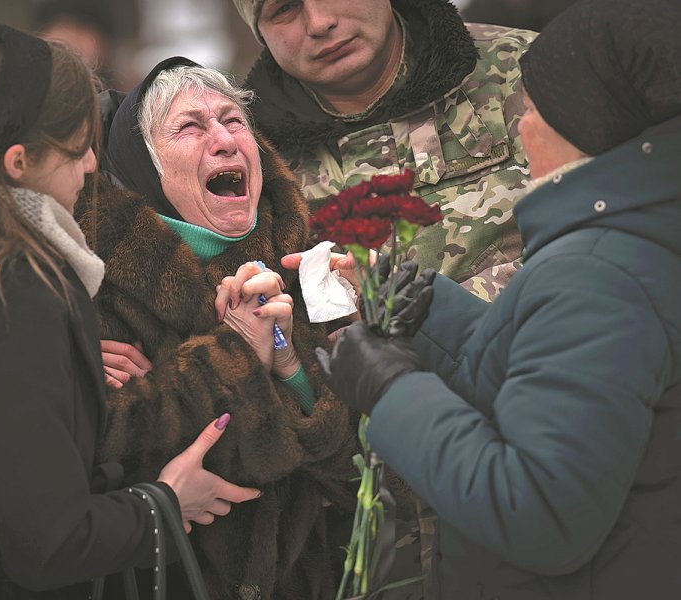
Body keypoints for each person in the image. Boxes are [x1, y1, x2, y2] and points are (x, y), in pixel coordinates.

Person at [0, 21, 260, 598]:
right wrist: (164, 502)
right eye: (79, 147)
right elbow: (51, 542)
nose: (91, 168)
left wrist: (67, 381)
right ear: (19, 161)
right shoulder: (4, 289)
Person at [317, 0, 681, 598]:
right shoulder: (632, 243)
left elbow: (538, 512)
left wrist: (391, 391)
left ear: (587, 122)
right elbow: (563, 384)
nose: (520, 126)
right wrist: (429, 310)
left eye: (533, 107)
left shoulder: (596, 278)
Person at [76, 57, 358, 600]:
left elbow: (366, 467)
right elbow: (104, 463)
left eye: (233, 120)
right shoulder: (98, 288)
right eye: (190, 126)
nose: (225, 140)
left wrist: (292, 367)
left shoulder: (305, 264)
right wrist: (234, 356)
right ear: (145, 169)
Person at [233, 0, 536, 301]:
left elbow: (579, 248)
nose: (319, 22)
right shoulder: (249, 161)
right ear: (260, 31)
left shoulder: (525, 68)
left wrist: (425, 322)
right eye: (284, 8)